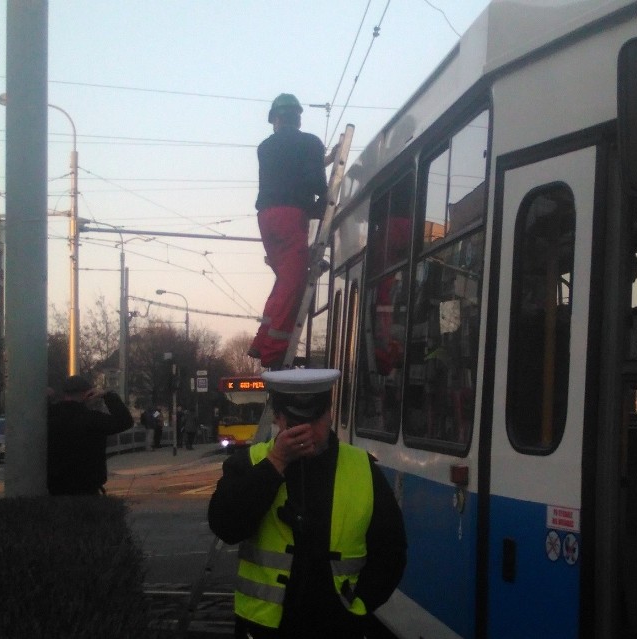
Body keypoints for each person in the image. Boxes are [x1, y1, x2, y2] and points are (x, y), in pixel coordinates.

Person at [208, 368, 407, 638]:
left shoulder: (362, 467)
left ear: (330, 414)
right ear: (278, 418)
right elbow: (225, 526)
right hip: (264, 627)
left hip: (338, 627)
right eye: (295, 423)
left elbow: (391, 550)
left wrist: (359, 607)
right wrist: (276, 463)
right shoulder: (250, 463)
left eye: (316, 421)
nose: (307, 432)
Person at [247, 93, 329, 368]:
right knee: (293, 283)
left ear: (275, 119)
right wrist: (325, 203)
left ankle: (262, 340)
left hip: (267, 218)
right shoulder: (309, 143)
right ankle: (274, 352)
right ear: (298, 116)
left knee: (285, 279)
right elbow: (317, 184)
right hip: (290, 216)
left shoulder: (265, 147)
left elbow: (289, 175)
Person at [47, 375, 134, 496]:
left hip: (53, 485)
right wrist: (107, 395)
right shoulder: (92, 419)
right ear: (88, 394)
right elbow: (125, 421)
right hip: (87, 487)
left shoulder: (49, 416)